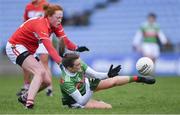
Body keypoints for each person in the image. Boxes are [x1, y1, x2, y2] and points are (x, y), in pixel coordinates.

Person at [6, 4, 89, 109]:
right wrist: (61, 63)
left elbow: (65, 41)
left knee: (47, 82)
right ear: (49, 16)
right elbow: (50, 48)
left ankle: (25, 97)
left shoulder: (56, 25)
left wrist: (76, 47)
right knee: (39, 72)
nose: (60, 20)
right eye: (57, 17)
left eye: (61, 18)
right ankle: (29, 104)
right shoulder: (41, 25)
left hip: (29, 50)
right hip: (15, 46)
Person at [59, 51, 156, 109]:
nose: (81, 66)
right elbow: (81, 101)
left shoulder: (77, 63)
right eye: (78, 65)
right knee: (108, 107)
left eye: (80, 63)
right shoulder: (66, 82)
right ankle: (93, 102)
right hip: (77, 102)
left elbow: (95, 74)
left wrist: (108, 75)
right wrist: (91, 90)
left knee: (113, 81)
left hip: (86, 86)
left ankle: (139, 78)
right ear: (69, 68)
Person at [17, 0, 54, 97]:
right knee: (26, 62)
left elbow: (51, 20)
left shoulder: (46, 4)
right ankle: (26, 86)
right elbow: (25, 21)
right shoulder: (28, 6)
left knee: (44, 62)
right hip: (31, 37)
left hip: (43, 36)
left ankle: (49, 88)